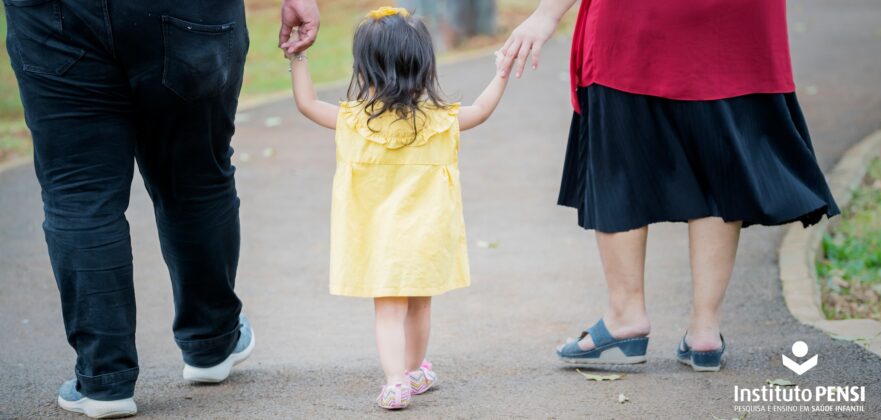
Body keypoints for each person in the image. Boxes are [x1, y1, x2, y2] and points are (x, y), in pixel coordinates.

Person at [3, 0, 316, 417]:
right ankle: (211, 342)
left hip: (53, 15)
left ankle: (104, 379)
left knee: (79, 191)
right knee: (196, 173)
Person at [502, 0, 839, 371]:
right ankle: (705, 332)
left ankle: (625, 318)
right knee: (717, 160)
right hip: (738, 19)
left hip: (639, 15)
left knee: (621, 161)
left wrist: (546, 13)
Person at [286, 6, 515, 409]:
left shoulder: (352, 121)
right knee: (419, 305)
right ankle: (412, 372)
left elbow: (306, 103)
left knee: (388, 311)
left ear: (365, 68)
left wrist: (298, 56)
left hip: (377, 240)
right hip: (426, 237)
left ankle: (395, 382)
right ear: (423, 67)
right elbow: (480, 110)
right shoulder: (439, 120)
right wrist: (500, 71)